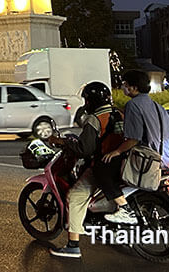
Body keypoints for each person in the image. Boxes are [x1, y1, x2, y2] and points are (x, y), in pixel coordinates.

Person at [49, 82, 124, 259]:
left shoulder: (95, 119)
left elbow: (85, 149)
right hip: (123, 162)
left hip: (103, 164)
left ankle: (73, 246)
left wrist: (64, 142)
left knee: (75, 197)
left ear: (91, 101)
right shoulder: (119, 113)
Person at [100, 69, 169, 225]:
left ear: (133, 88)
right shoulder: (158, 107)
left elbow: (133, 140)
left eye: (125, 84)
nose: (123, 87)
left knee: (103, 169)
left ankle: (124, 209)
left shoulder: (133, 105)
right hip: (165, 162)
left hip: (146, 161)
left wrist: (116, 151)